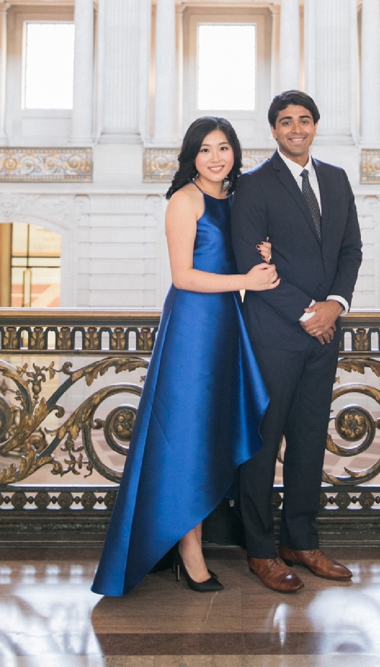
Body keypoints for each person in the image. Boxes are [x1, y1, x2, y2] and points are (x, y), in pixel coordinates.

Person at [91, 116, 274, 596]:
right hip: (193, 328)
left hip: (226, 328)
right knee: (188, 437)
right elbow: (183, 276)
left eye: (224, 148)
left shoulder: (235, 201)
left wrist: (261, 255)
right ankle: (188, 554)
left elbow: (239, 259)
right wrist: (245, 281)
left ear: (235, 153)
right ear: (192, 156)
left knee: (212, 431)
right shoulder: (184, 200)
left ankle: (193, 540)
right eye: (206, 149)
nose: (216, 157)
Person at [230, 90, 362, 593]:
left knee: (310, 439)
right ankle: (261, 551)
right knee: (262, 446)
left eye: (304, 120)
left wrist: (334, 305)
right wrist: (308, 312)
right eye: (286, 122)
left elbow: (351, 250)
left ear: (315, 126)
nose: (296, 128)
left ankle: (301, 541)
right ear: (273, 131)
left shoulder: (335, 178)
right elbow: (250, 262)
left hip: (325, 335)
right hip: (273, 335)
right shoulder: (254, 186)